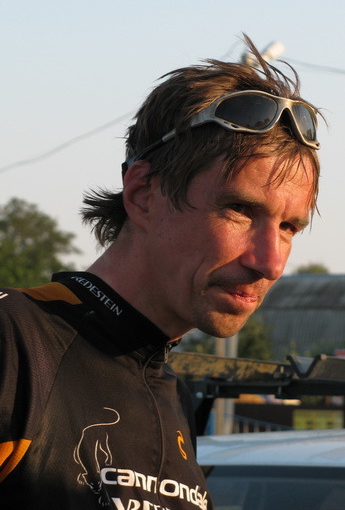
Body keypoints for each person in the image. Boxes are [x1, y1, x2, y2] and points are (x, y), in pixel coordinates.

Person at [0, 35, 322, 509]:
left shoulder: (172, 396)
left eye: (289, 227)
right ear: (143, 195)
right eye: (239, 210)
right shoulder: (15, 341)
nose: (270, 262)